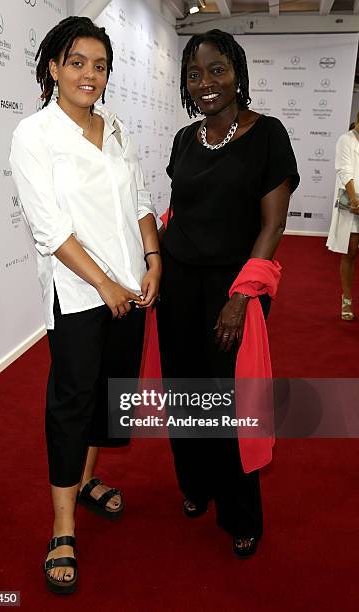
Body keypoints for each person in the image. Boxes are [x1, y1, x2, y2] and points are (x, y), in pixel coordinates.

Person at [9, 16, 160, 593]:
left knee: (109, 393)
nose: (89, 75)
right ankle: (63, 526)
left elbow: (141, 197)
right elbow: (50, 228)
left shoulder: (115, 128)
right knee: (72, 404)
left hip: (131, 288)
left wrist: (153, 257)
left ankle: (88, 481)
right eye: (77, 63)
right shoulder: (35, 135)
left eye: (99, 65)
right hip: (80, 295)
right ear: (53, 67)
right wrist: (105, 285)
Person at [157, 30, 299, 557]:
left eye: (217, 70)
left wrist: (241, 298)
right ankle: (195, 485)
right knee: (184, 392)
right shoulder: (183, 140)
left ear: (238, 72)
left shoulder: (269, 136)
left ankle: (240, 513)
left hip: (233, 289)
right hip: (178, 283)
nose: (206, 84)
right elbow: (180, 213)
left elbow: (273, 225)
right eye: (194, 75)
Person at [327, 112, 359, 320]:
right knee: (351, 251)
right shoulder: (346, 140)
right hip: (353, 203)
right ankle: (346, 300)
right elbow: (344, 170)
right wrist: (355, 200)